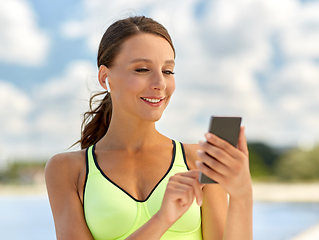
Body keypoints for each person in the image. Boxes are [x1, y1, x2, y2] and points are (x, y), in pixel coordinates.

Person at [45, 16, 253, 240]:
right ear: (106, 77)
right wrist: (162, 219)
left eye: (168, 71)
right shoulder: (67, 170)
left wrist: (242, 195)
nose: (160, 83)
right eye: (143, 69)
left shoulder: (198, 161)